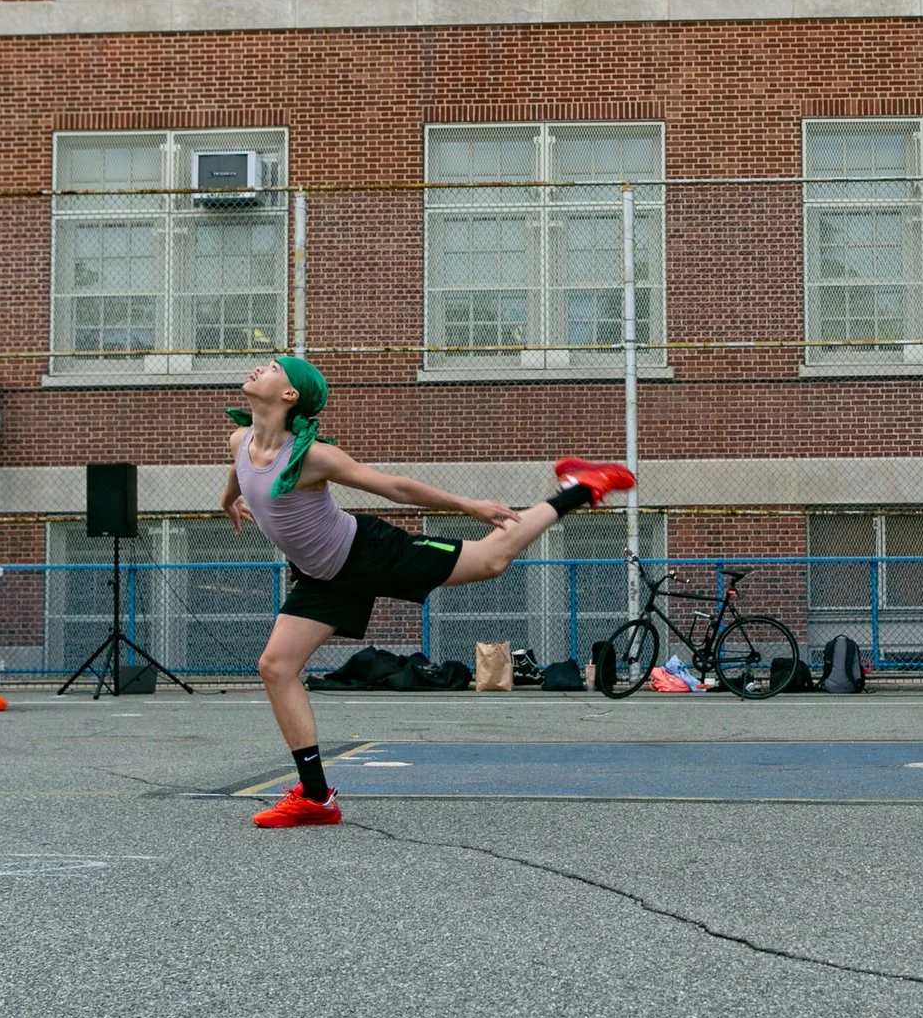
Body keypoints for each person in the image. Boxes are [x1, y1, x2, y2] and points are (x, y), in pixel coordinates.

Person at [223, 355, 634, 828]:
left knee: (491, 560)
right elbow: (239, 475)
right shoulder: (241, 440)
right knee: (275, 667)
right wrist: (228, 500)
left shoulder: (313, 457)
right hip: (320, 576)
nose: (260, 367)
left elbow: (394, 487)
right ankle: (316, 798)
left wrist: (468, 505)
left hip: (366, 552)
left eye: (273, 367)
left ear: (289, 395)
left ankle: (579, 488)